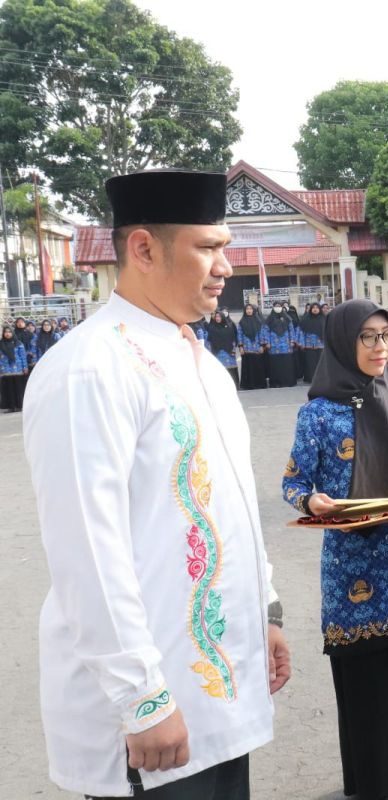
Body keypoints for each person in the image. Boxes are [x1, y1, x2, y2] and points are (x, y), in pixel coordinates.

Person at [23, 169, 291, 799]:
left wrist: (266, 609)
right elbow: (87, 552)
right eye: (207, 247)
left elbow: (229, 507)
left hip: (216, 699)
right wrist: (142, 698)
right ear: (143, 249)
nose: (225, 266)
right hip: (149, 715)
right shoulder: (89, 369)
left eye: (225, 246)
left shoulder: (200, 361)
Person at [283, 299, 388, 800]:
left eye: (386, 337)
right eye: (368, 338)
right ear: (343, 342)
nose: (380, 348)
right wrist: (312, 499)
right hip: (350, 563)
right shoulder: (317, 413)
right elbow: (294, 482)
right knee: (365, 672)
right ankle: (374, 776)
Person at [264, 301, 297, 388]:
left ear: (282, 307)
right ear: (273, 307)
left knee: (286, 364)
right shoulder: (269, 318)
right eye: (276, 306)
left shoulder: (287, 318)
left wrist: (292, 341)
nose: (277, 308)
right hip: (274, 346)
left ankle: (288, 382)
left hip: (286, 345)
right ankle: (276, 383)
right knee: (276, 365)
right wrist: (267, 342)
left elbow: (291, 330)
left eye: (279, 306)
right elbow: (266, 331)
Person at [237, 304, 268, 390]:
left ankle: (259, 384)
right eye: (247, 309)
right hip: (246, 349)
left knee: (258, 367)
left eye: (250, 309)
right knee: (248, 368)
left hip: (257, 348)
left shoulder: (259, 321)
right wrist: (240, 346)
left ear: (253, 310)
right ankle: (248, 385)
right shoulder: (241, 322)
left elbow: (262, 334)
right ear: (245, 310)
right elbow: (239, 334)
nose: (249, 310)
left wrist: (262, 346)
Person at [206, 309, 239, 386]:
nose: (217, 318)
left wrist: (233, 350)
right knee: (219, 370)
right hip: (217, 352)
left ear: (222, 317)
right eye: (216, 317)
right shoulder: (212, 328)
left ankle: (233, 385)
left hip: (229, 352)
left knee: (230, 370)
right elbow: (209, 340)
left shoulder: (229, 327)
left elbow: (233, 339)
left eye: (219, 316)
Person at [0, 324, 28, 412]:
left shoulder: (18, 343)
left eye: (9, 332)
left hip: (18, 369)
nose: (7, 334)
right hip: (5, 369)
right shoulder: (1, 344)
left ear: (12, 333)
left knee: (18, 388)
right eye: (5, 332)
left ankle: (19, 406)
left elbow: (23, 356)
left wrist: (25, 367)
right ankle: (11, 407)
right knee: (9, 389)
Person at [297, 302, 325, 383]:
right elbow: (301, 332)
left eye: (317, 308)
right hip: (308, 345)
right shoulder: (305, 319)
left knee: (321, 363)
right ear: (311, 309)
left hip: (321, 345)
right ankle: (311, 379)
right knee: (310, 363)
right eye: (313, 308)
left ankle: (321, 379)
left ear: (319, 309)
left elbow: (328, 332)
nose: (315, 309)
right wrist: (302, 343)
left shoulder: (324, 319)